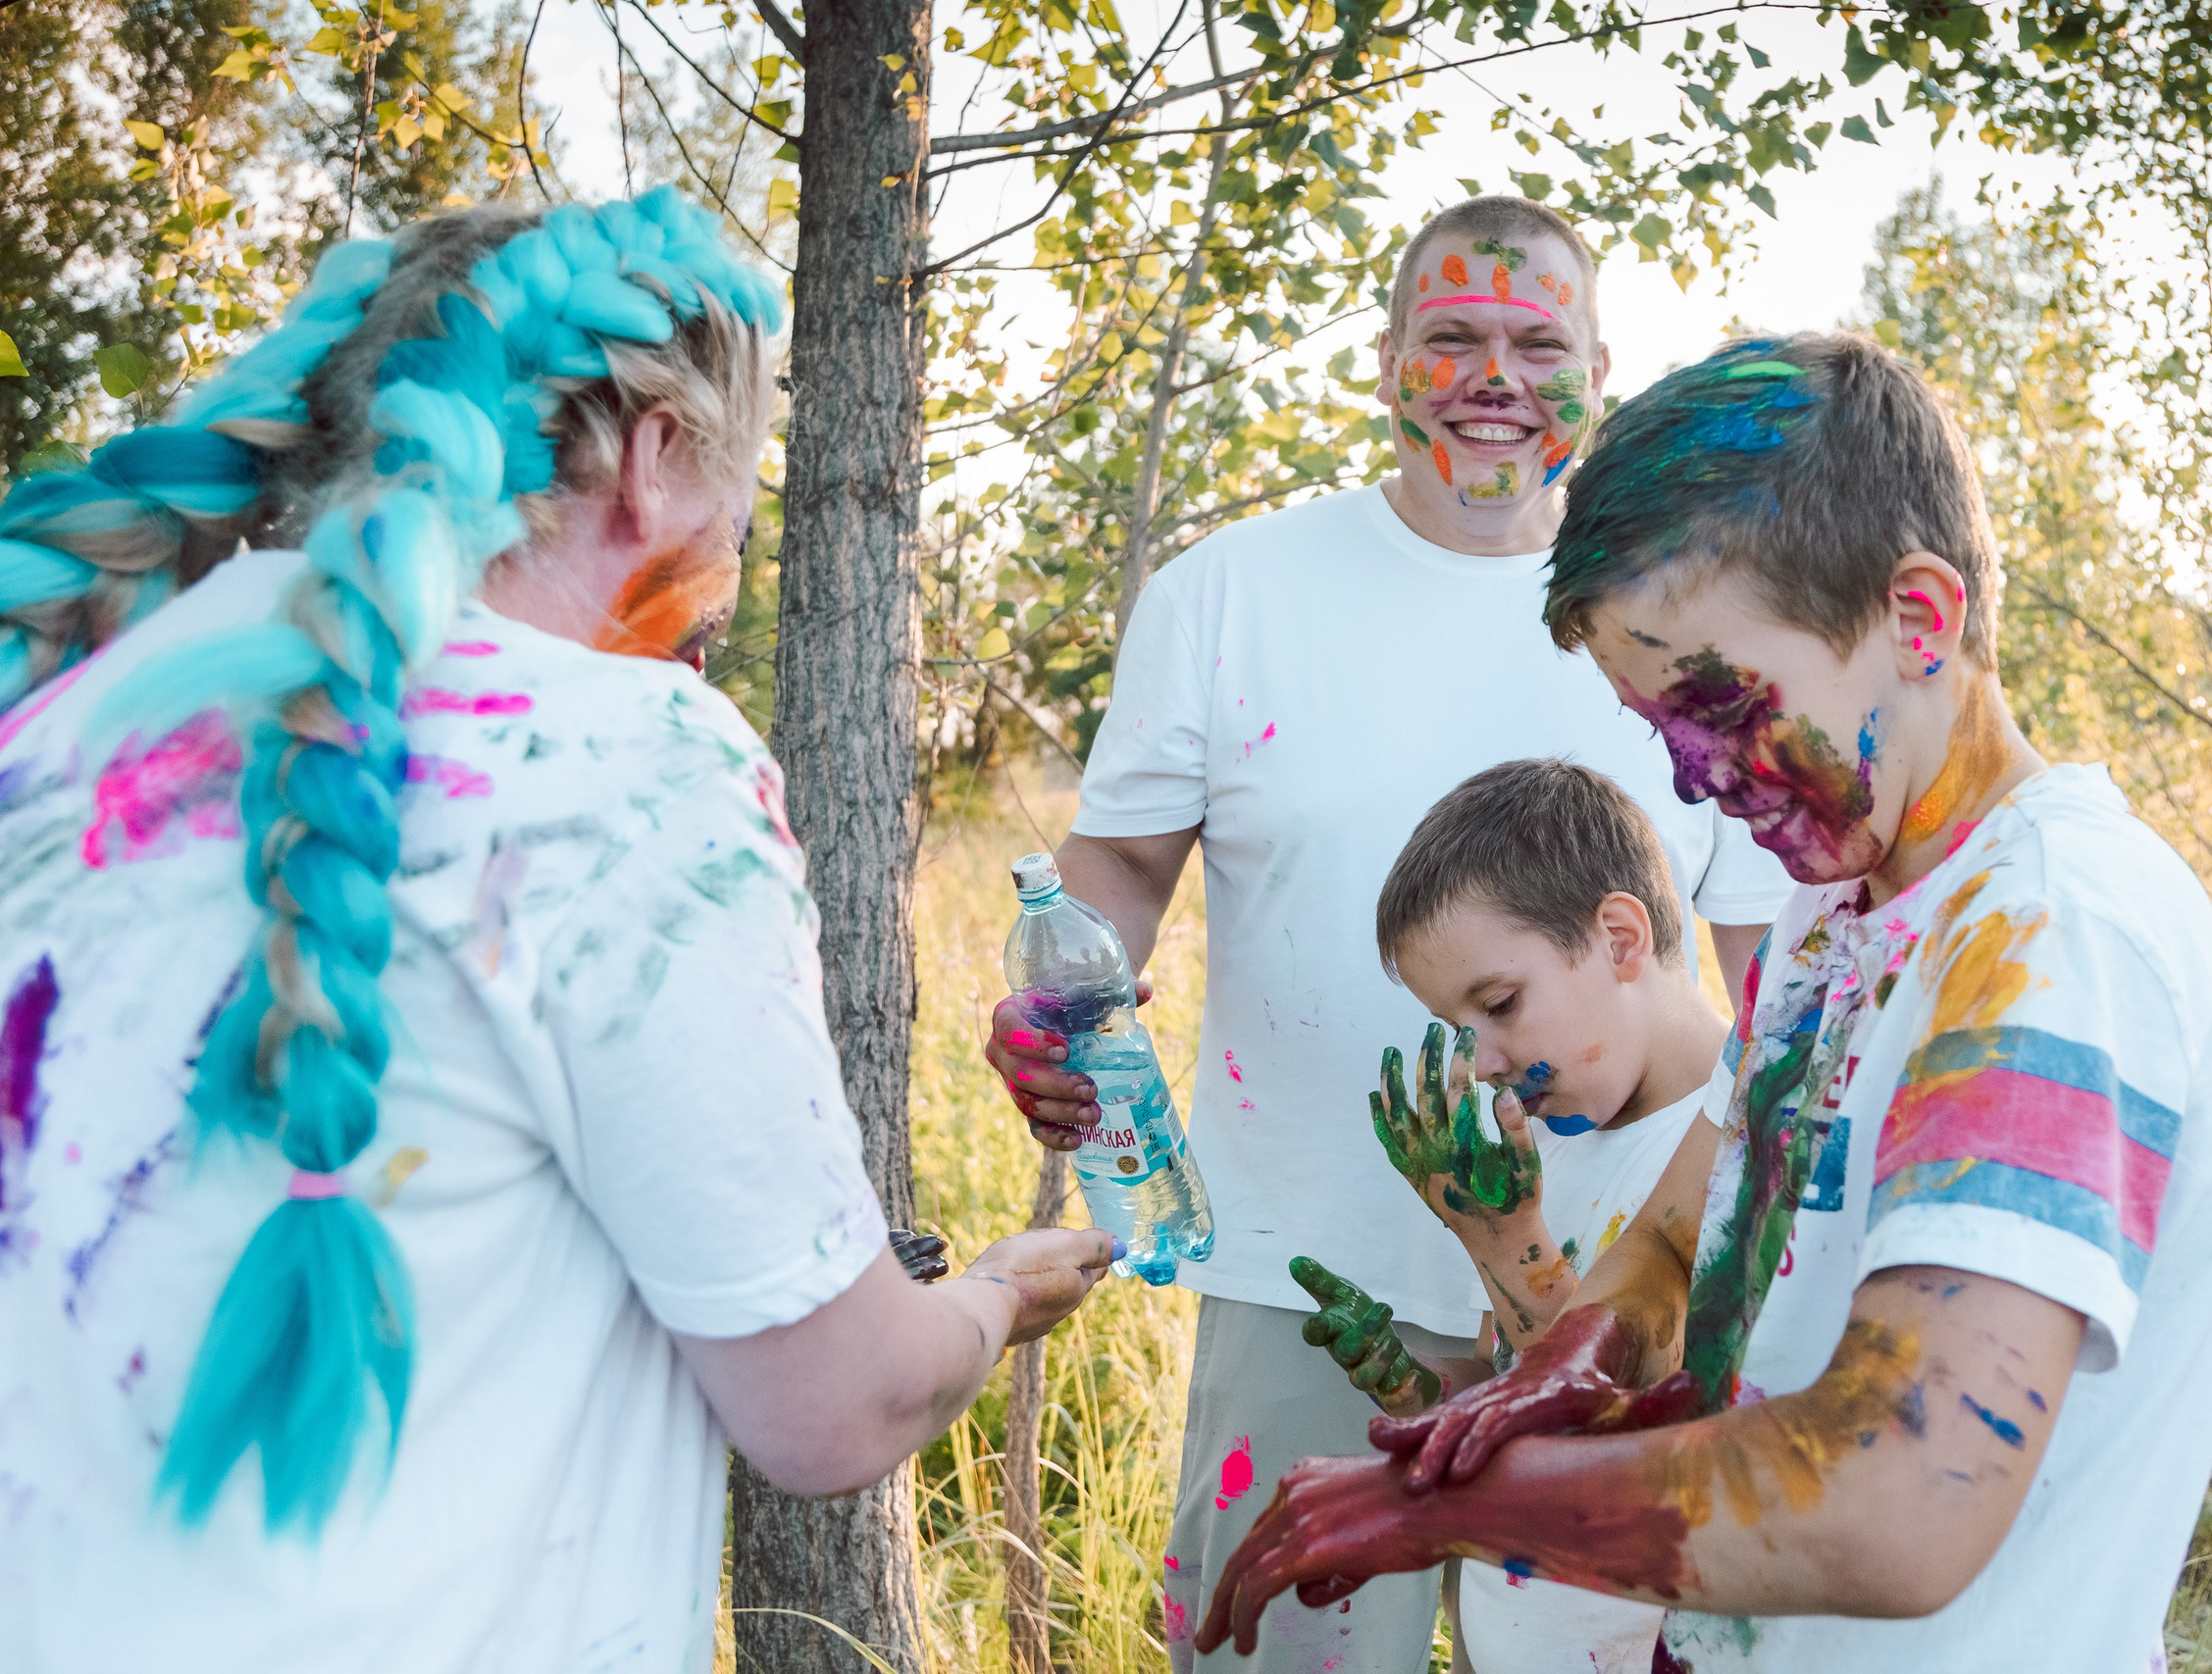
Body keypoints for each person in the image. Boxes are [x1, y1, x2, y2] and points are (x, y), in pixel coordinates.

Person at [0, 189, 1111, 1673]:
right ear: (654, 464)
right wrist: (986, 1297)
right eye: (744, 494)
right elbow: (833, 1404)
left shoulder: (63, 714)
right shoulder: (622, 753)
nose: (733, 554)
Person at [1191, 332, 2212, 1673]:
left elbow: (1902, 1496)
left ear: (1919, 623)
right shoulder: (1843, 912)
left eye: (1720, 702)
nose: (1697, 779)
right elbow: (1693, 1224)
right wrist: (1578, 1347)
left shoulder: (2051, 934)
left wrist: (1453, 1503)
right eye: (1660, 729)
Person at [983, 196, 1793, 1673]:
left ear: (1597, 366)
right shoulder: (1231, 591)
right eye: (1455, 336)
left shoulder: (1688, 620)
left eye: (1537, 341)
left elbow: (1771, 988)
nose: (1496, 373)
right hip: (1307, 1267)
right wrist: (1049, 1010)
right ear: (1386, 362)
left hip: (1627, 1285)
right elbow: (1111, 866)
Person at [1290, 758, 1735, 1674]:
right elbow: (1518, 1389)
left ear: (1620, 937)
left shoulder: (1735, 1141)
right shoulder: (1540, 1156)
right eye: (1461, 1029)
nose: (1484, 1061)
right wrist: (1420, 1393)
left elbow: (1634, 1432)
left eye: (1500, 1005)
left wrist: (1510, 1244)